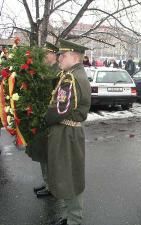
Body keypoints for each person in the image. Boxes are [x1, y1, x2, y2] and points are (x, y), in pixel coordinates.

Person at [46, 39, 91, 225]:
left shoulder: (71, 78)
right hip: (67, 131)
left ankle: (74, 219)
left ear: (73, 56)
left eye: (62, 56)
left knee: (71, 177)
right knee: (66, 175)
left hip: (67, 132)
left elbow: (59, 110)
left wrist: (45, 119)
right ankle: (68, 216)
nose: (59, 59)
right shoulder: (72, 74)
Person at [25, 42, 61, 198]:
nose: (44, 57)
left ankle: (52, 187)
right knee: (42, 154)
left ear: (53, 54)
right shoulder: (45, 70)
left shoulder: (58, 72)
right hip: (42, 118)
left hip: (50, 119)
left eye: (46, 54)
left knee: (49, 156)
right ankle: (47, 183)